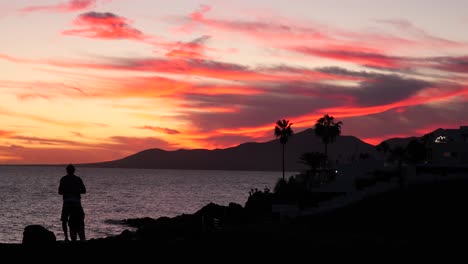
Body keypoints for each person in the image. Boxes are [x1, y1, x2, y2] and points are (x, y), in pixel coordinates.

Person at [58, 164, 86, 241]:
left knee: (64, 220)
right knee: (80, 220)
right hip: (76, 202)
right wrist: (76, 191)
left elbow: (60, 192)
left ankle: (66, 237)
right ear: (74, 170)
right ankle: (81, 238)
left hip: (67, 202)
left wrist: (67, 191)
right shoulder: (78, 179)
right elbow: (84, 191)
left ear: (67, 170)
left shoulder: (63, 179)